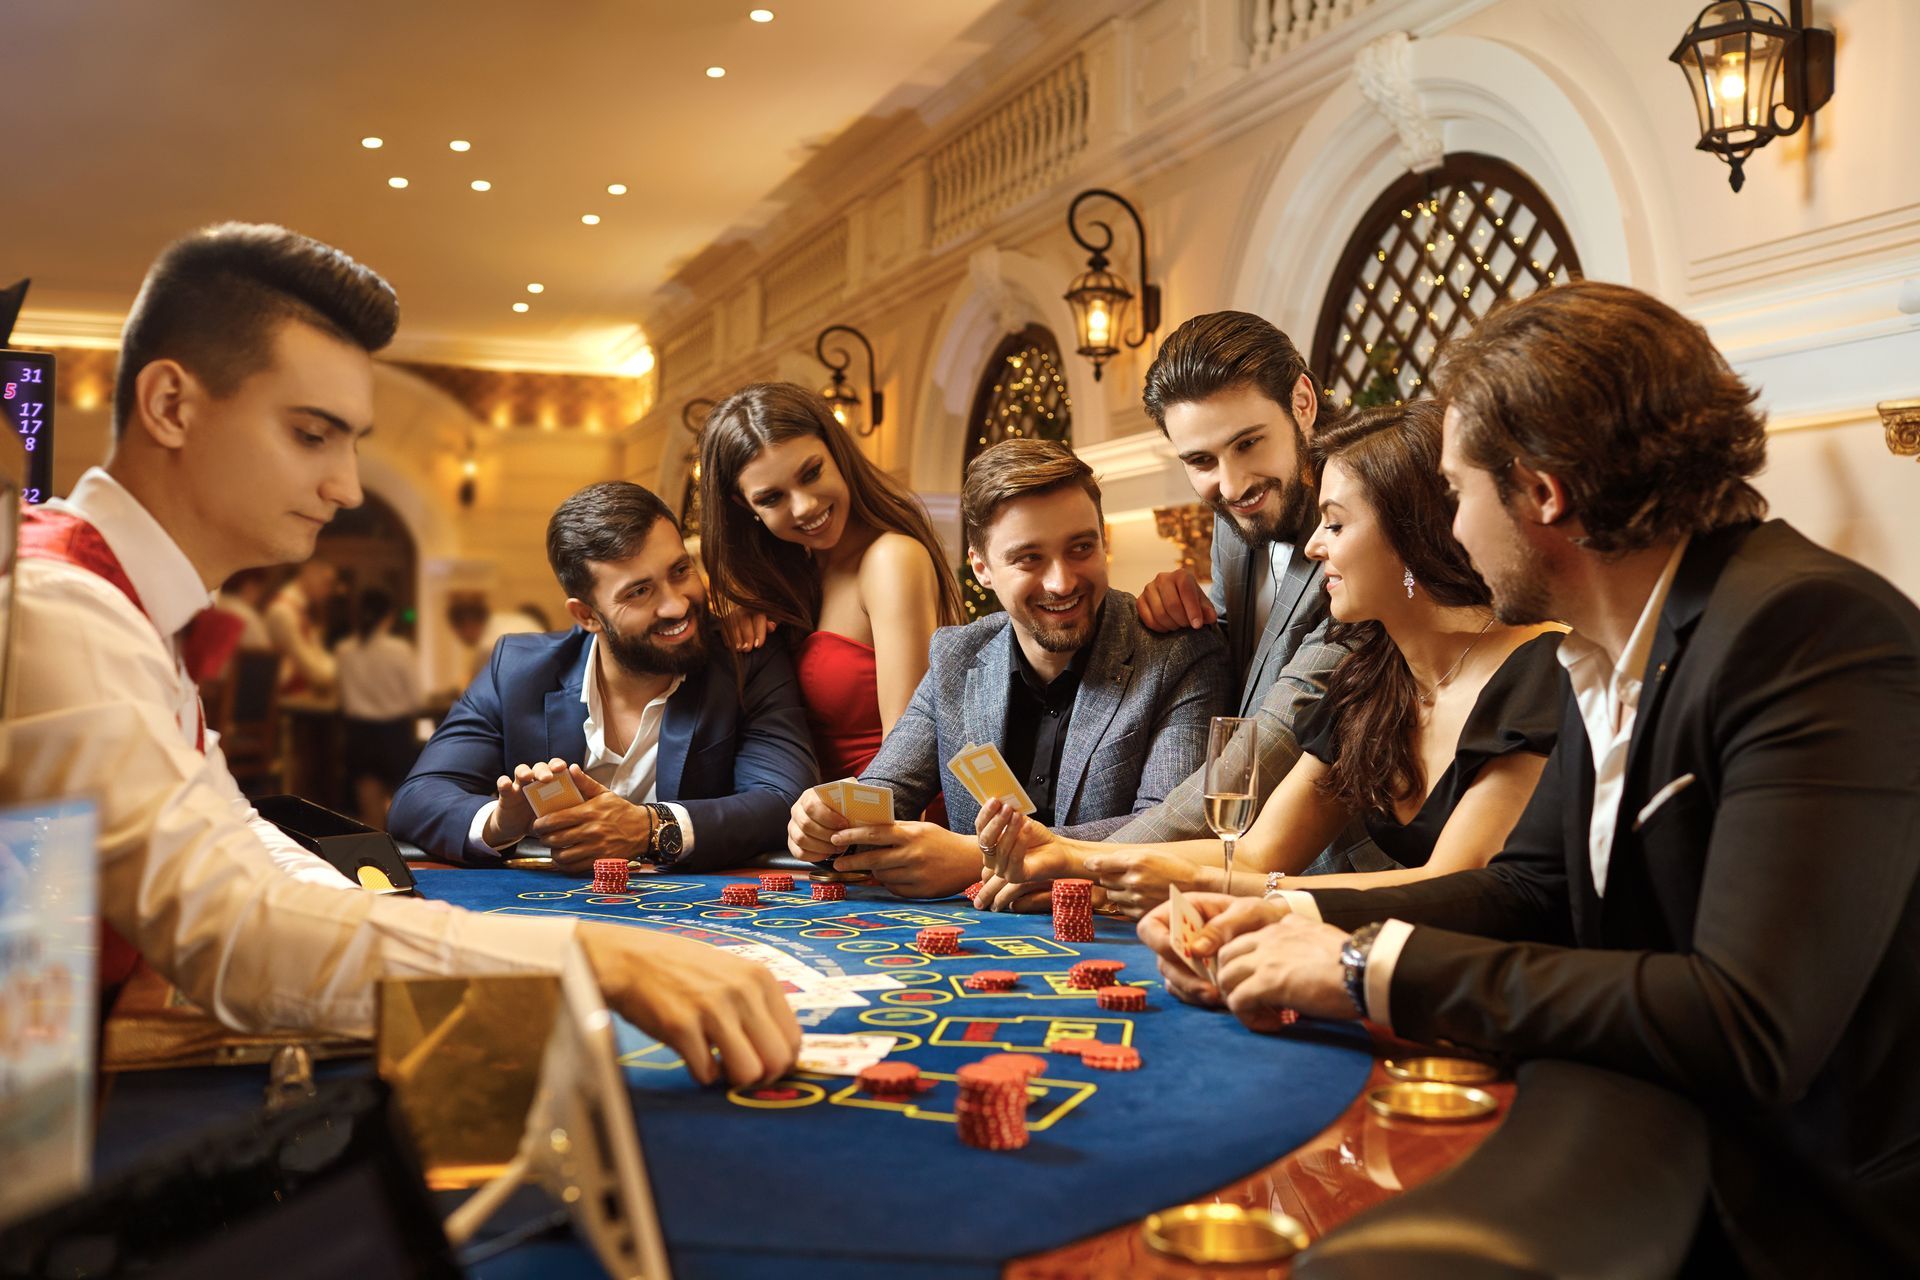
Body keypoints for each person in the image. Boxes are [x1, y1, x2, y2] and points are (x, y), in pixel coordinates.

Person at [1141, 281, 1920, 1270]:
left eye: (1458, 493)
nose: (1451, 530)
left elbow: (1746, 1021)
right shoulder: (1601, 646)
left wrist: (1359, 971)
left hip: (1808, 1210)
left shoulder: (1806, 630)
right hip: (1648, 1129)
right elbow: (1526, 890)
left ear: (1543, 493)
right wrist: (1283, 914)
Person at [0, 222, 797, 1086]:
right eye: (312, 434)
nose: (346, 487)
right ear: (170, 406)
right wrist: (591, 956)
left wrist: (383, 920)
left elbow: (242, 848)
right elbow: (229, 933)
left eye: (352, 442)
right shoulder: (60, 609)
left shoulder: (119, 606)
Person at [976, 401, 1562, 914]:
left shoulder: (1543, 670)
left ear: (1413, 534)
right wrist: (1066, 858)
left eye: (1335, 524)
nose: (1315, 544)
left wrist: (1198, 885)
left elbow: (1452, 885)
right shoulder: (1368, 679)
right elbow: (1257, 852)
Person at [785, 438, 1230, 898]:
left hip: (1116, 927)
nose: (1061, 582)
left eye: (1081, 548)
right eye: (1028, 558)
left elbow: (1170, 831)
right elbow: (884, 794)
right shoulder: (957, 656)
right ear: (981, 568)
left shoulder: (1178, 654)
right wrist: (827, 819)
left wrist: (977, 857)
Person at [389, 481, 817, 873]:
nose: (676, 605)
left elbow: (782, 798)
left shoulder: (747, 658)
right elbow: (417, 798)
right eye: (639, 592)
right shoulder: (517, 669)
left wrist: (649, 828)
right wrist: (501, 823)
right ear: (587, 615)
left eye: (679, 571)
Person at [1091, 313, 1368, 865]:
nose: (1233, 484)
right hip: (1233, 864)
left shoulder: (1362, 521)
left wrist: (1068, 861)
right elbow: (1246, 668)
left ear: (1302, 403)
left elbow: (1275, 738)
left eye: (1248, 443)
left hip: (1342, 873)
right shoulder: (1236, 517)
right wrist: (1184, 616)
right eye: (1201, 460)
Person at [699, 381, 964, 781]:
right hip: (817, 811)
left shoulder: (890, 559)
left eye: (811, 473)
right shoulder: (793, 577)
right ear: (745, 506)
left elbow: (908, 756)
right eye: (772, 498)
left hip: (888, 809)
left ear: (836, 453)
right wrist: (744, 611)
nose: (805, 506)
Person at [333, 587, 422, 829]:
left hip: (359, 734)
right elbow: (416, 700)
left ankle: (375, 851)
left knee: (369, 816)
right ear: (389, 616)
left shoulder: (344, 649)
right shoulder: (399, 649)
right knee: (401, 811)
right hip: (395, 733)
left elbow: (341, 698)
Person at [265, 556, 339, 698]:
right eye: (327, 582)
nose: (329, 590)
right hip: (284, 694)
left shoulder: (299, 608)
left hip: (297, 688)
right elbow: (304, 661)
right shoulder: (282, 610)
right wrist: (340, 674)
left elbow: (315, 652)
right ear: (310, 573)